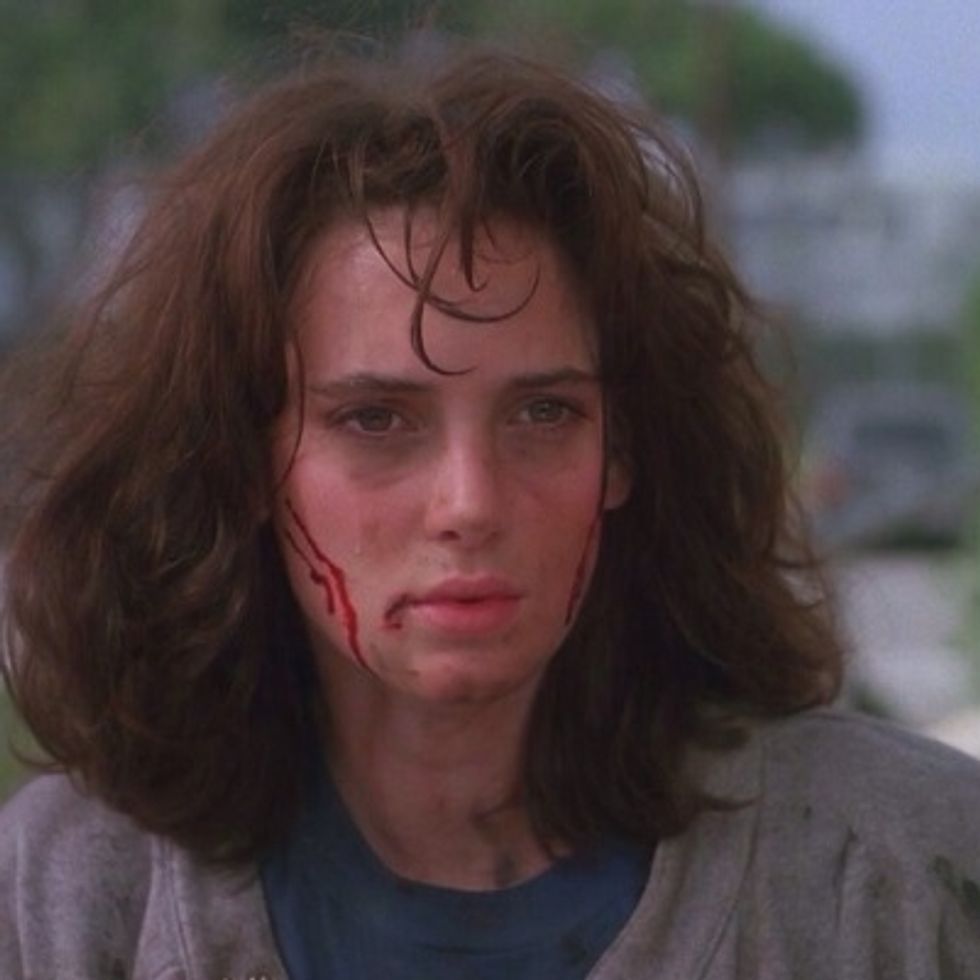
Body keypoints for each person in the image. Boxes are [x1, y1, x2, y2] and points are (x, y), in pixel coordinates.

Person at [2, 37, 979, 980]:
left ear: (622, 451)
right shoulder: (67, 897)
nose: (469, 502)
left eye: (544, 412)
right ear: (245, 459)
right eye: (376, 419)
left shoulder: (891, 876)